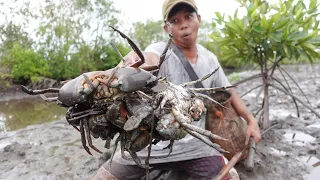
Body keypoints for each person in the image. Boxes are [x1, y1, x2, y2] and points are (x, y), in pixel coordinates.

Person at [92, 0, 261, 179]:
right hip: (150, 144)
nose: (183, 25)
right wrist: (133, 62)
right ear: (167, 29)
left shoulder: (210, 59)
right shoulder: (159, 50)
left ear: (199, 19)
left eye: (188, 16)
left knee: (231, 177)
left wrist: (251, 120)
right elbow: (149, 58)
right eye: (175, 20)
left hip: (196, 145)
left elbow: (230, 91)